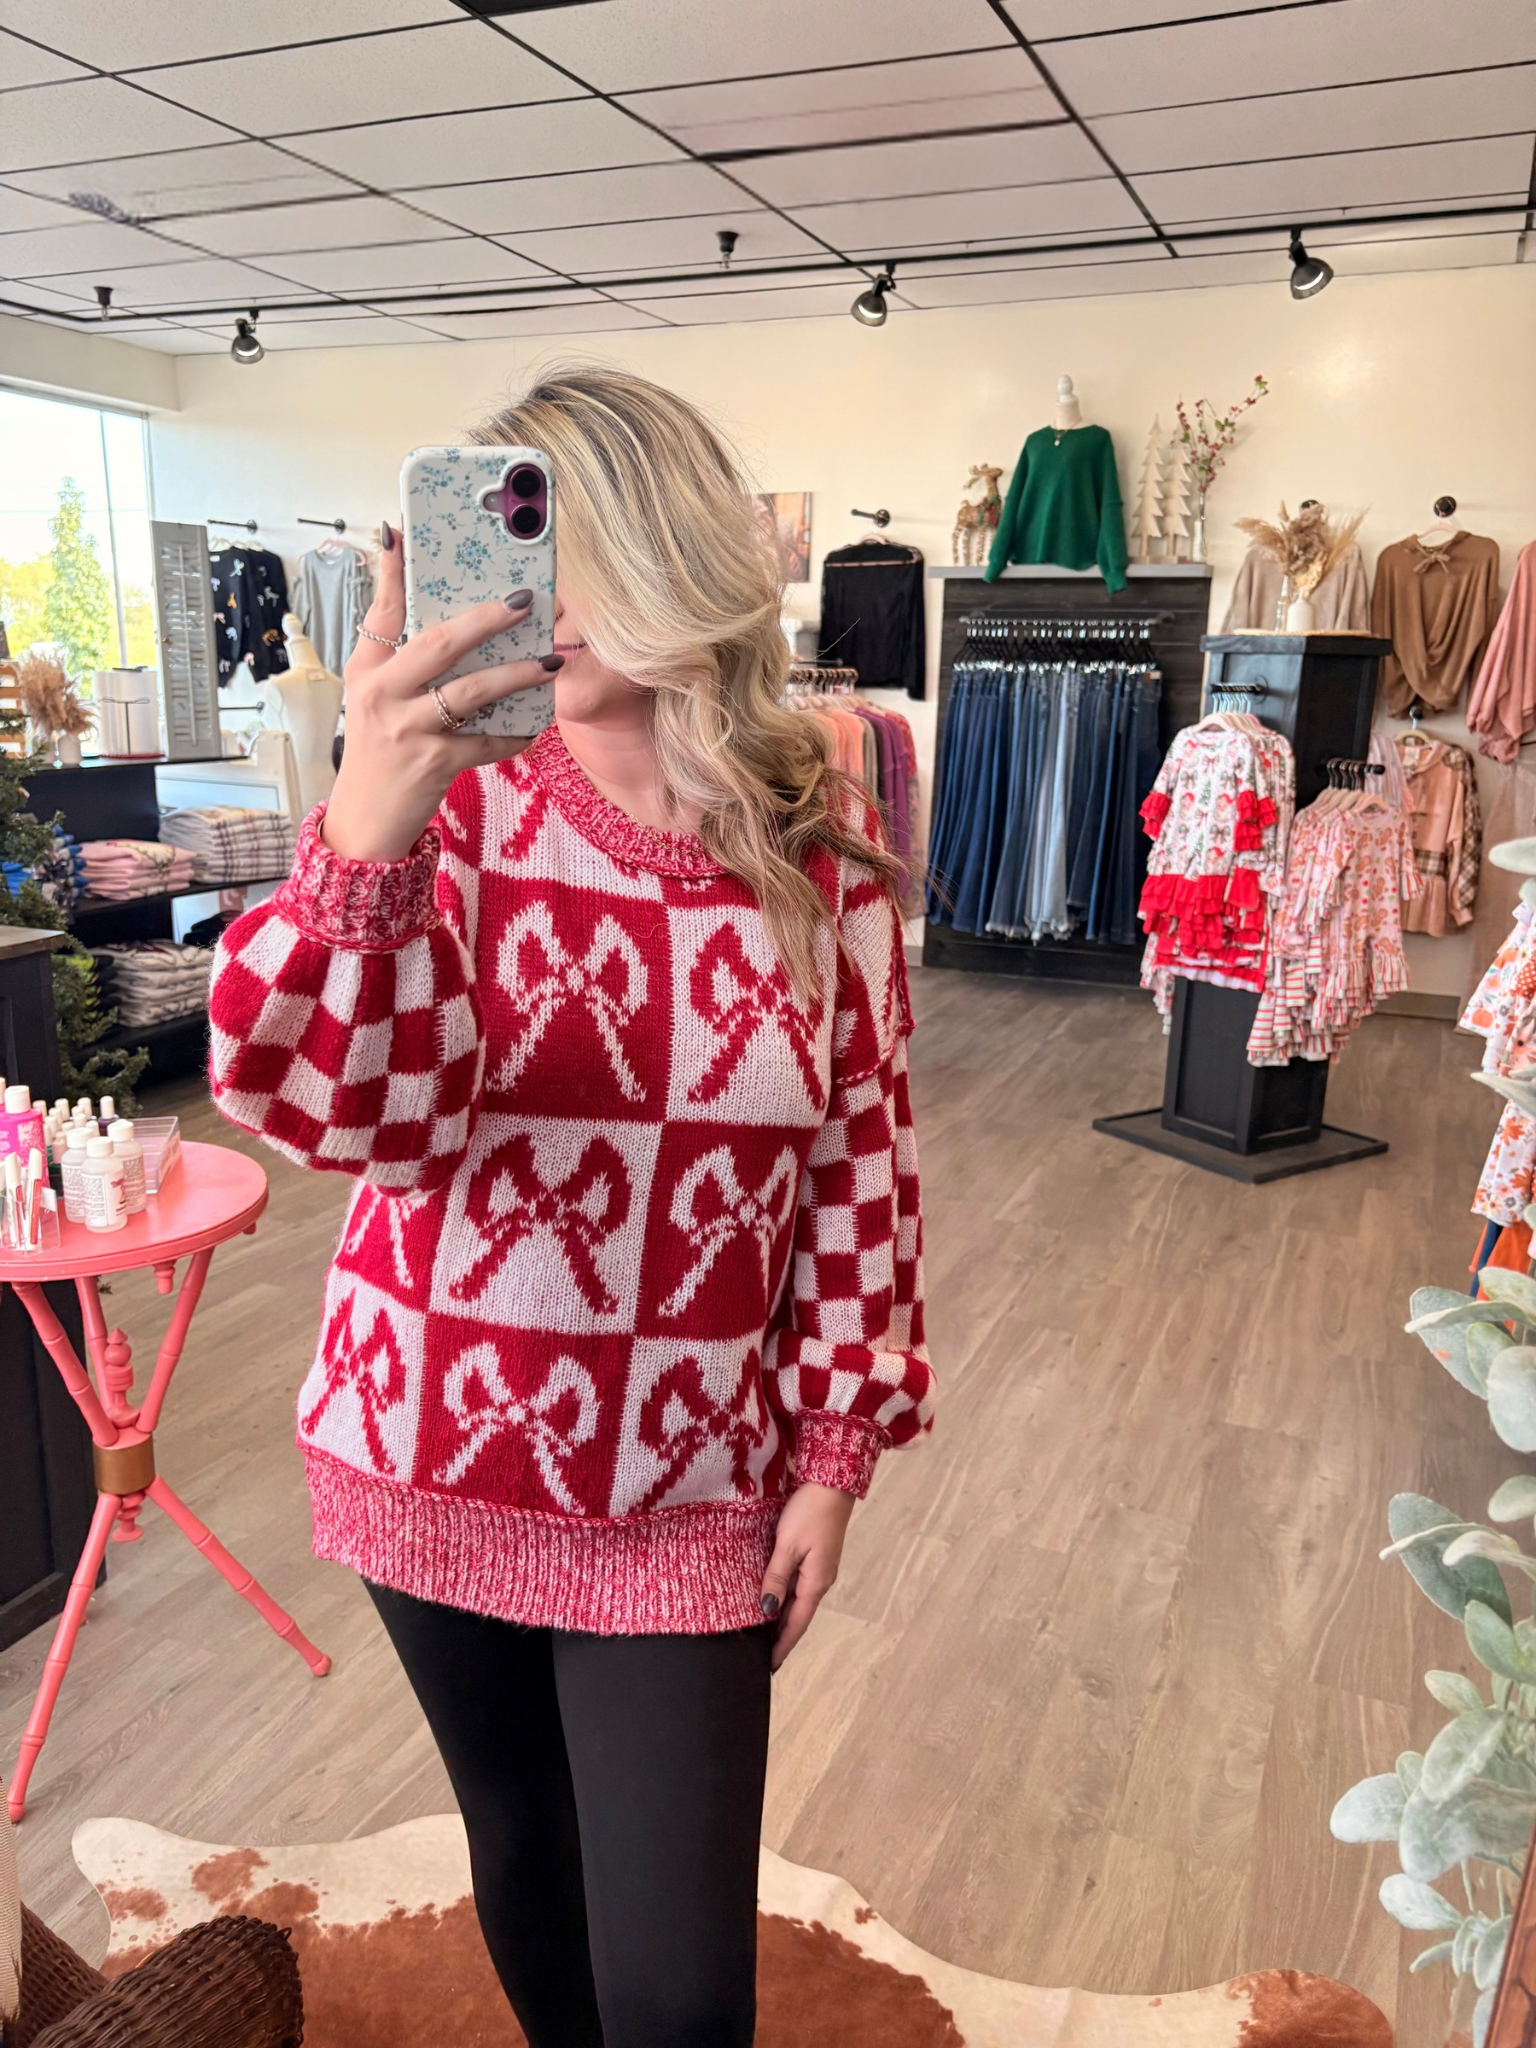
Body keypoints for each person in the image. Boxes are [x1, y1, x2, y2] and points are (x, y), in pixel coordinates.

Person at [207, 366, 934, 2048]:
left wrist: (837, 1446)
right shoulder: (448, 801)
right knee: (526, 1846)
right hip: (430, 1442)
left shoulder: (812, 836)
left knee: (680, 1993)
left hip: (690, 1474)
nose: (537, 600)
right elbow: (338, 1114)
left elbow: (863, 1157)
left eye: (569, 547)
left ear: (674, 552)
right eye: (510, 551)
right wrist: (368, 822)